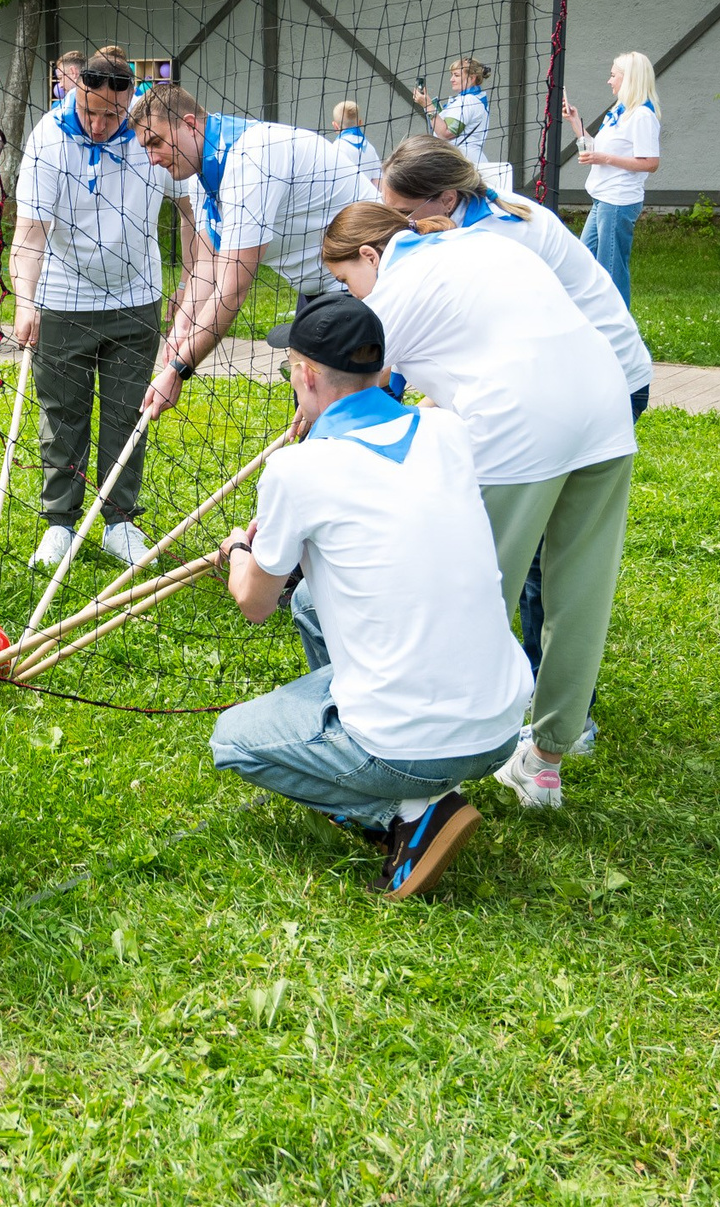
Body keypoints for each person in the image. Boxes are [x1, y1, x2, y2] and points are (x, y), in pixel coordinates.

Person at [207, 295, 531, 898]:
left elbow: (254, 603)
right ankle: (403, 771)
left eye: (290, 369)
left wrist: (238, 551)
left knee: (232, 742)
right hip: (503, 725)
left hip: (416, 746)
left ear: (305, 375)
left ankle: (406, 815)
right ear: (380, 370)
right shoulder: (447, 430)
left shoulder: (296, 470)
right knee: (310, 606)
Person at [321, 201, 634, 813]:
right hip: (606, 406)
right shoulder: (481, 242)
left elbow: (358, 411)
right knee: (580, 598)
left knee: (471, 597)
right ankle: (544, 764)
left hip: (523, 429)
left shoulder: (392, 295)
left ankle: (440, 764)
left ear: (369, 255)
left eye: (344, 281)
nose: (348, 295)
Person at [379, 136, 651, 730]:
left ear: (445, 198)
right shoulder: (484, 213)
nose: (393, 229)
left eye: (402, 215)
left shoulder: (494, 236)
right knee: (557, 567)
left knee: (528, 562)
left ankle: (508, 705)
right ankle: (550, 720)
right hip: (594, 387)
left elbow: (421, 348)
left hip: (590, 383)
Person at [10, 48, 183, 570]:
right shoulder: (48, 137)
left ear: (129, 100)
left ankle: (118, 521)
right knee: (62, 415)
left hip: (136, 297)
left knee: (128, 413)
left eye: (112, 115)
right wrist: (25, 301)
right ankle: (60, 522)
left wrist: (193, 284)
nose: (102, 124)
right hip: (64, 297)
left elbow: (190, 209)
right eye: (91, 113)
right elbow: (30, 232)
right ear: (75, 94)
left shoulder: (151, 135)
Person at [129, 82, 366, 418]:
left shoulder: (248, 159)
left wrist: (179, 369)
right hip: (319, 289)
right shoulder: (200, 174)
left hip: (365, 281)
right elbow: (207, 264)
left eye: (156, 142)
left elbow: (232, 289)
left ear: (190, 124)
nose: (152, 158)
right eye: (145, 148)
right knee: (314, 413)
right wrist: (181, 326)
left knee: (353, 417)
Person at [565, 51, 660, 303]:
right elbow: (599, 148)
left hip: (618, 202)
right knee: (585, 259)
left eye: (613, 75)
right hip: (603, 199)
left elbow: (650, 163)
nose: (609, 80)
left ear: (629, 79)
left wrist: (603, 159)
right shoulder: (620, 111)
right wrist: (575, 121)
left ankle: (619, 331)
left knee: (611, 270)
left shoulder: (641, 116)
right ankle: (595, 320)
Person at [330, 100, 383, 192]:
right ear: (360, 122)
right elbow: (378, 182)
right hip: (366, 202)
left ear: (335, 126)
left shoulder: (336, 147)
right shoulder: (370, 148)